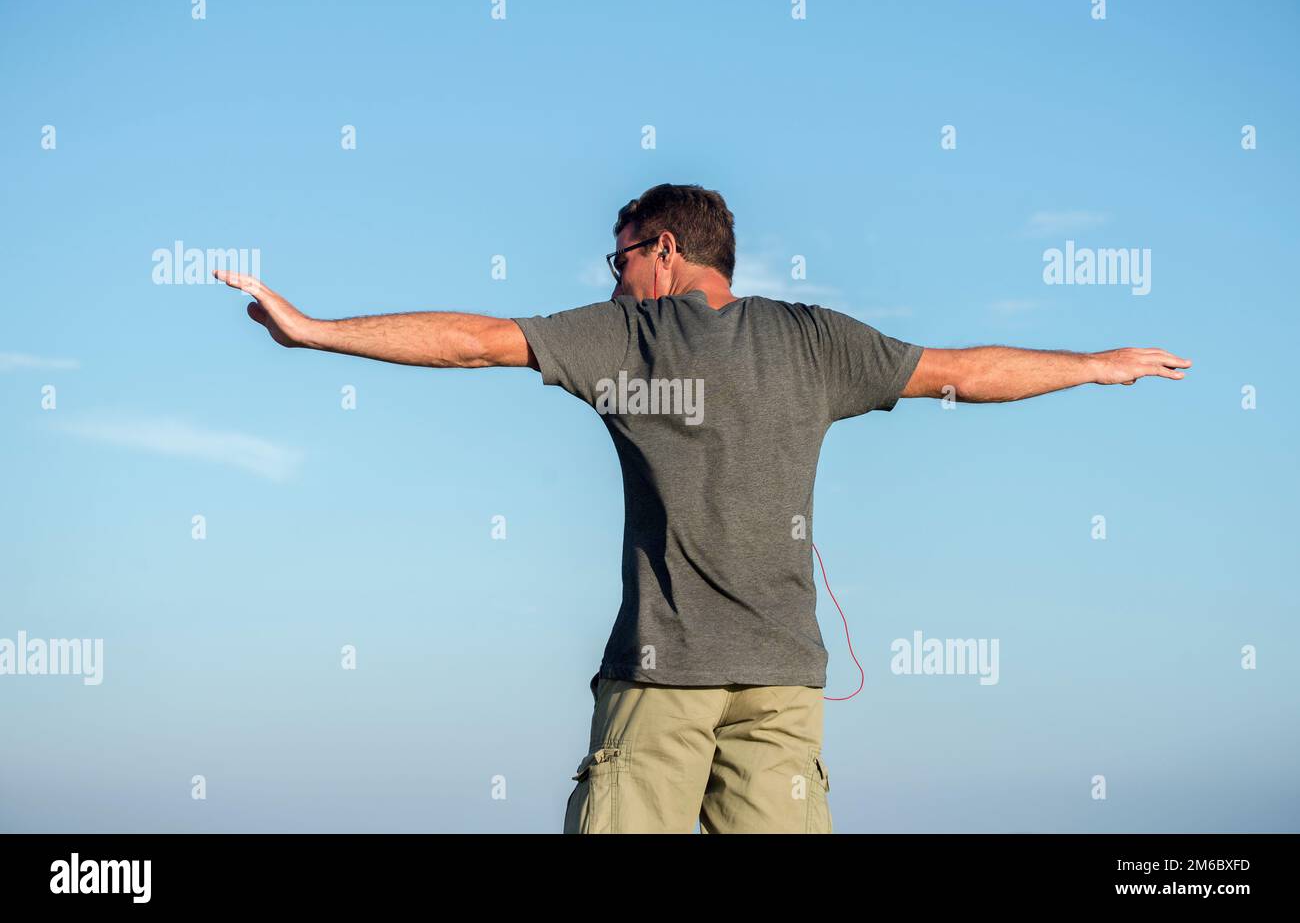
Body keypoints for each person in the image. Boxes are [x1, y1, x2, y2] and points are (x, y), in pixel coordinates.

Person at [215, 182, 1191, 833]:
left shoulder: (630, 334)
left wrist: (314, 332)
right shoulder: (819, 339)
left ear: (665, 251)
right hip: (783, 690)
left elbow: (474, 340)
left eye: (619, 260)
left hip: (661, 679)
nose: (616, 279)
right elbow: (966, 374)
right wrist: (1094, 367)